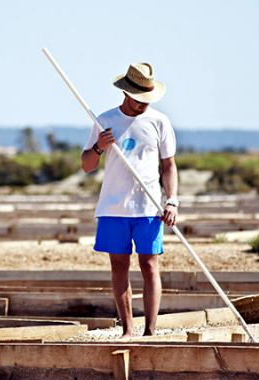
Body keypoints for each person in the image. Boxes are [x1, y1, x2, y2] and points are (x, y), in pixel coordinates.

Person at [80, 62, 178, 338]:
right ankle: (128, 329)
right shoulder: (105, 120)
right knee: (119, 265)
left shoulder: (159, 122)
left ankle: (150, 330)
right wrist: (100, 145)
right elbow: (87, 164)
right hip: (113, 207)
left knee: (149, 264)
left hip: (149, 207)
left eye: (148, 99)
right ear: (126, 94)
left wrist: (172, 201)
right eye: (139, 100)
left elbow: (169, 166)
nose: (143, 105)